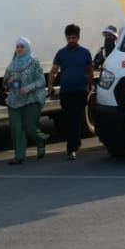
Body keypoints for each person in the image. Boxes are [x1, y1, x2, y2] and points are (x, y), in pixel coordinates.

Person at [48, 24, 94, 160]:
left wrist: (90, 85)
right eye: (69, 38)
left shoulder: (85, 53)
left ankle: (71, 149)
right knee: (71, 120)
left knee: (75, 118)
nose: (71, 40)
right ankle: (76, 142)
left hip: (80, 91)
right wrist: (50, 86)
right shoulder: (61, 53)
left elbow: (90, 71)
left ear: (78, 38)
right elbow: (54, 71)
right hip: (66, 92)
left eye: (74, 38)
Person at [3, 38, 48, 165]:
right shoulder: (12, 64)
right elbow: (5, 83)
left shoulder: (34, 61)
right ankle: (19, 156)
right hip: (14, 101)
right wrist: (9, 81)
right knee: (16, 127)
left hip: (31, 100)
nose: (19, 49)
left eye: (22, 46)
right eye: (17, 47)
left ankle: (40, 141)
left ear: (27, 47)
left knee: (31, 127)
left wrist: (28, 88)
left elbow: (41, 81)